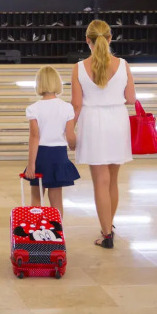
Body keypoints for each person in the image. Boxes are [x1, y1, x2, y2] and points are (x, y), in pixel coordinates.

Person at [71, 20, 136, 249]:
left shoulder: (79, 67)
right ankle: (108, 226)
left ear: (87, 40)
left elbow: (76, 104)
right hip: (117, 120)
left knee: (100, 181)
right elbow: (131, 98)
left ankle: (107, 234)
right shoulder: (123, 64)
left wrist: (69, 130)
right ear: (110, 38)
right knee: (112, 180)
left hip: (92, 122)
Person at [23, 66, 79, 214]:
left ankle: (35, 227)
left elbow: (34, 137)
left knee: (36, 198)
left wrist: (31, 165)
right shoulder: (67, 108)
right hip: (59, 155)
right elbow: (70, 135)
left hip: (41, 155)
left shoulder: (34, 108)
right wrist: (73, 145)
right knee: (56, 200)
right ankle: (57, 227)